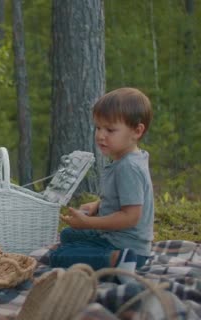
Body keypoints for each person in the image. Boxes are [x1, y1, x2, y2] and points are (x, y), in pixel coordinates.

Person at [51, 87, 154, 282]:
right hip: (116, 238)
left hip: (125, 245)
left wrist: (88, 223)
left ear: (137, 131)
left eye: (110, 130)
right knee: (67, 235)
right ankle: (114, 258)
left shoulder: (128, 167)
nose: (100, 135)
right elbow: (122, 198)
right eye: (98, 127)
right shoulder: (126, 159)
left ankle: (117, 261)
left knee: (57, 256)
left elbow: (131, 217)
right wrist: (96, 206)